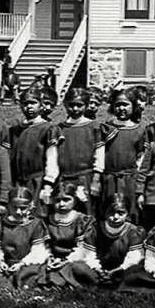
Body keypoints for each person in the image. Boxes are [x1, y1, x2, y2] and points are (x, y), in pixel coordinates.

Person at [41, 88, 105, 216]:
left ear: (86, 106)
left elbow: (99, 155)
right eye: (71, 105)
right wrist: (49, 182)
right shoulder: (58, 129)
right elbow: (52, 156)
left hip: (85, 178)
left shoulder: (94, 127)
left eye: (79, 105)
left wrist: (96, 179)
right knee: (63, 211)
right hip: (63, 180)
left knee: (86, 213)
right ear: (65, 105)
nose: (75, 109)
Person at [0, 187, 49, 289]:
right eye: (14, 207)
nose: (18, 212)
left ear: (30, 206)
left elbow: (37, 251)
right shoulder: (1, 224)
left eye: (23, 208)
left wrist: (22, 263)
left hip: (25, 262)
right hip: (7, 262)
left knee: (30, 273)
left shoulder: (35, 224)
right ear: (8, 206)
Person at [2, 88, 55, 207]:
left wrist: (48, 183)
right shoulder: (14, 130)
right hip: (17, 180)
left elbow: (51, 157)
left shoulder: (47, 128)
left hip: (37, 179)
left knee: (35, 211)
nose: (29, 107)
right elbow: (7, 157)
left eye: (33, 103)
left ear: (41, 106)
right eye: (26, 103)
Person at [100, 88, 149, 214]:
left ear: (133, 106)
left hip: (129, 180)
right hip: (109, 179)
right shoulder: (106, 128)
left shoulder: (139, 130)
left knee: (128, 211)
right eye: (118, 105)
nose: (122, 108)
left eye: (125, 104)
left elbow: (141, 156)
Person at [40, 183, 97, 288]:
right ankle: (60, 280)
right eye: (57, 200)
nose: (61, 204)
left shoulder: (82, 221)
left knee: (78, 268)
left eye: (66, 200)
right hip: (54, 259)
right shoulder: (47, 221)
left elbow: (83, 249)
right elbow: (45, 245)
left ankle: (60, 280)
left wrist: (66, 261)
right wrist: (49, 258)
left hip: (74, 259)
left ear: (75, 200)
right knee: (37, 268)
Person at [83, 194, 144, 284]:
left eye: (120, 213)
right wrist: (97, 269)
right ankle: (101, 277)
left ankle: (115, 278)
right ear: (104, 212)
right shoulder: (95, 230)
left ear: (127, 214)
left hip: (122, 269)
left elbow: (133, 258)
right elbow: (89, 255)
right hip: (98, 268)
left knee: (136, 269)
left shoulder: (133, 231)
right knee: (78, 267)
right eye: (111, 212)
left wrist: (116, 271)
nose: (115, 217)